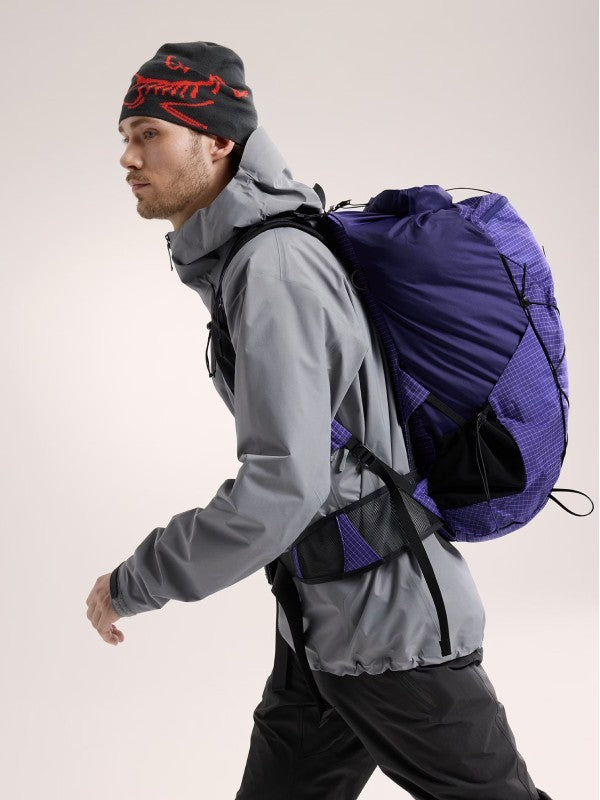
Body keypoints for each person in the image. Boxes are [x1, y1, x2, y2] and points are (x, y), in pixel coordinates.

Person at [85, 41, 553, 800]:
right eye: (125, 136)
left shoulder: (274, 266)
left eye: (150, 133)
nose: (128, 157)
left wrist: (136, 580)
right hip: (323, 621)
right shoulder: (250, 260)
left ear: (218, 141)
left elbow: (283, 486)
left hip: (390, 628)